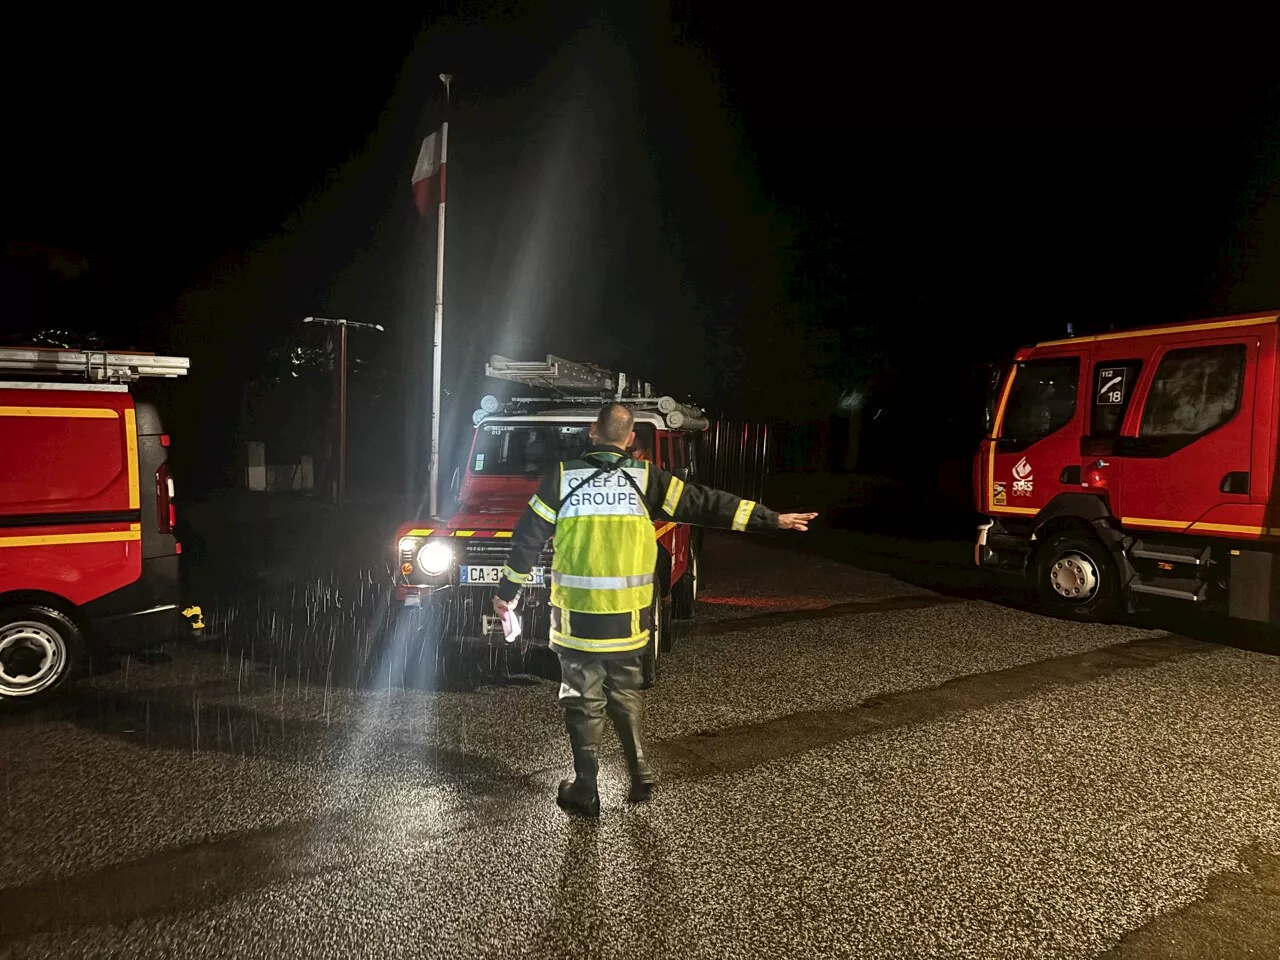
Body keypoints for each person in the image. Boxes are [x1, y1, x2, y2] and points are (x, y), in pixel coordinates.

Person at [492, 402, 818, 817]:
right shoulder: (646, 479)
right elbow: (705, 503)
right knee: (623, 691)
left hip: (576, 618)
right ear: (629, 440)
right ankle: (639, 769)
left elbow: (527, 542)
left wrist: (507, 593)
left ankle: (586, 788)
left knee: (581, 698)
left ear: (593, 432)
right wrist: (772, 519)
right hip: (629, 618)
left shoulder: (561, 478)